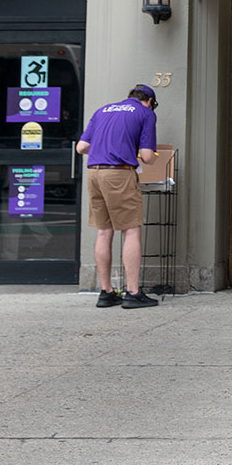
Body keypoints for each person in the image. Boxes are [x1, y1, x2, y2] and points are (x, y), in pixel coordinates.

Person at [76, 83, 160, 309]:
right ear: (150, 101)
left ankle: (106, 292)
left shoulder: (102, 110)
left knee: (104, 231)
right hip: (119, 174)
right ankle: (132, 292)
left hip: (94, 173)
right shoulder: (145, 113)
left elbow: (81, 147)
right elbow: (147, 157)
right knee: (131, 230)